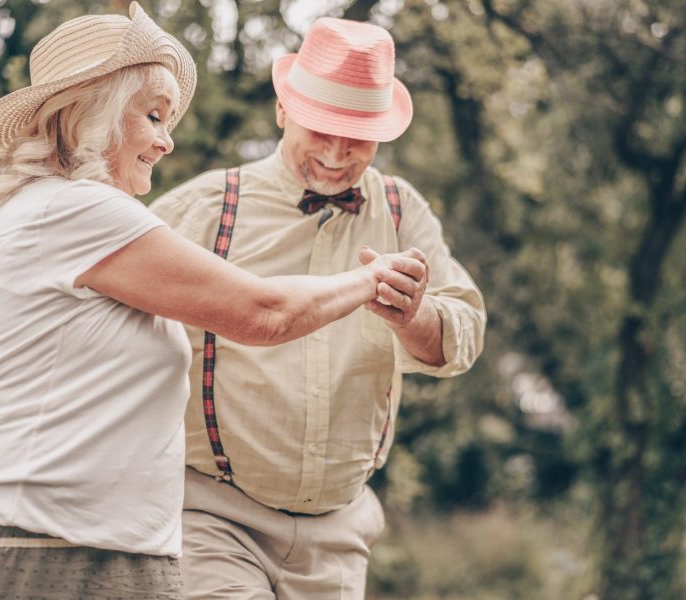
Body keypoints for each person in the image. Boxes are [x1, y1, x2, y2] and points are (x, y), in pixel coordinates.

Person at [0, 4, 411, 599]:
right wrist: (376, 280)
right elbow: (263, 313)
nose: (168, 142)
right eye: (153, 116)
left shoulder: (52, 215)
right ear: (96, 111)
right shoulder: (77, 211)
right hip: (33, 546)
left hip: (76, 541)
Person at [148, 15, 487, 600]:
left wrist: (416, 318)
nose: (335, 153)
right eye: (321, 128)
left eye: (356, 135)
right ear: (283, 110)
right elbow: (99, 294)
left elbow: (464, 332)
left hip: (339, 536)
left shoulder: (403, 211)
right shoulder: (208, 205)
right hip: (212, 518)